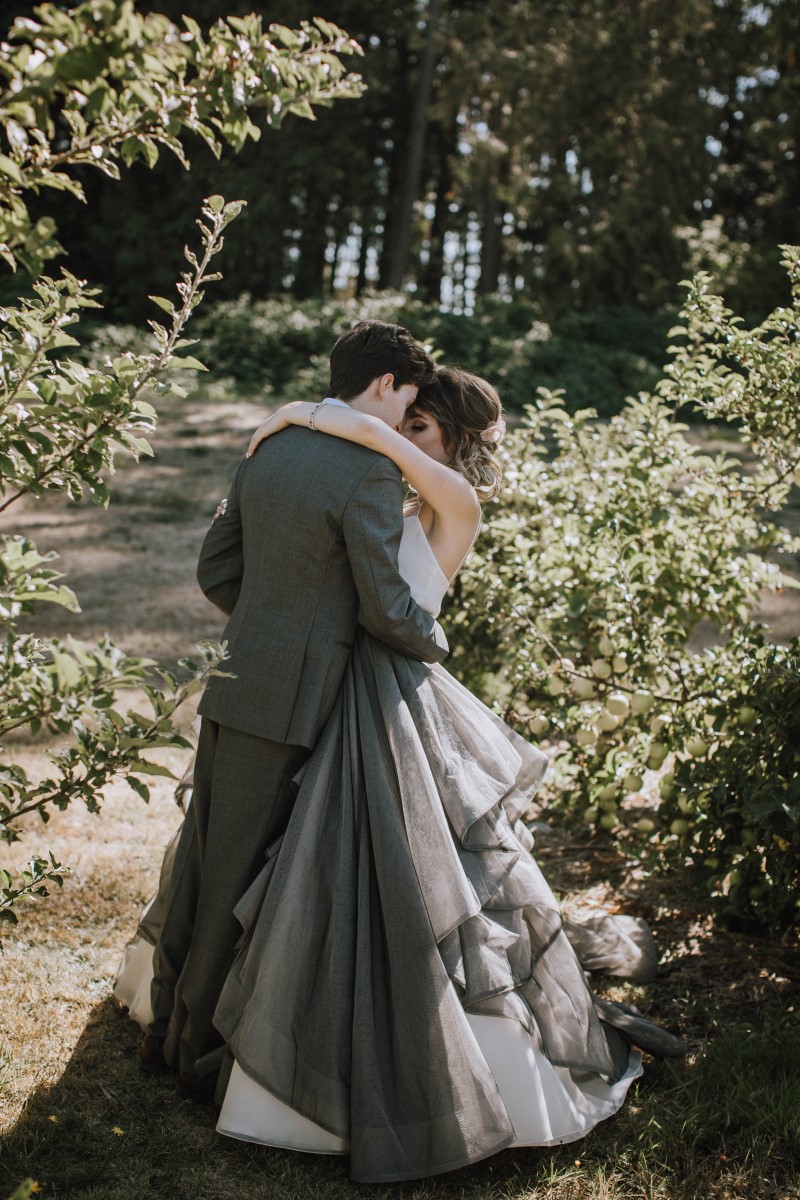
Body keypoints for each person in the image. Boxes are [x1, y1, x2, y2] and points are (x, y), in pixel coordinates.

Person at [116, 361, 685, 1183]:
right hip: (328, 690)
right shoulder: (381, 495)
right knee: (282, 869)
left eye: (421, 425)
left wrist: (299, 414)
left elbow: (372, 452)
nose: (402, 435)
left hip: (388, 709)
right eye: (404, 420)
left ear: (451, 438)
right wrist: (305, 421)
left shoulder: (454, 501)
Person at [121, 320, 448, 1099]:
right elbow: (382, 604)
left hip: (236, 676)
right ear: (383, 386)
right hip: (296, 694)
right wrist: (432, 639)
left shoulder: (271, 445)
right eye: (407, 397)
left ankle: (168, 1018)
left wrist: (270, 617)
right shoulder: (369, 474)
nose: (406, 417)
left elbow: (215, 567)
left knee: (204, 854)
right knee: (240, 872)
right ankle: (189, 1050)